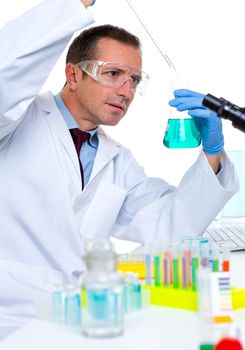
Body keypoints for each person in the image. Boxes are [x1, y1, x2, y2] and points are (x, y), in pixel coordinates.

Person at [0, 0, 239, 330]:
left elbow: (172, 227)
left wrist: (213, 151)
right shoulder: (12, 124)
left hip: (80, 320)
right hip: (9, 317)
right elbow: (6, 70)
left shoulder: (117, 162)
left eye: (135, 80)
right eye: (113, 74)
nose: (126, 91)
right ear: (73, 74)